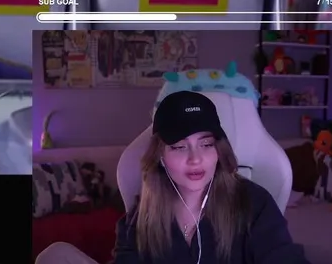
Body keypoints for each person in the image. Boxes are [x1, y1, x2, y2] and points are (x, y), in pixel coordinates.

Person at [36, 90, 309, 264]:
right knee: (55, 255)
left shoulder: (254, 203)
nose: (195, 159)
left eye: (206, 144)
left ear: (219, 150)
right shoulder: (140, 218)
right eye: (179, 146)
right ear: (161, 156)